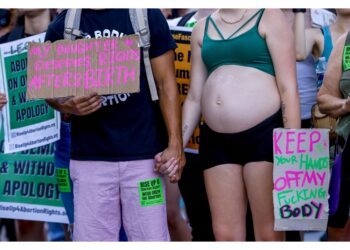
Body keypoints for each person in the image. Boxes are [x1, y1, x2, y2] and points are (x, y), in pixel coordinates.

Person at [45, 8, 184, 241]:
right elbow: (49, 91)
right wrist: (68, 106)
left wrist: (175, 144)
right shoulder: (63, 25)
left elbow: (167, 83)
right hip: (90, 159)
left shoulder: (146, 15)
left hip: (145, 160)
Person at [173, 8, 300, 241]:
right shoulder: (202, 27)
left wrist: (292, 150)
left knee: (269, 235)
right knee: (224, 235)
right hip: (216, 139)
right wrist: (177, 145)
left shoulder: (269, 15)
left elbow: (288, 88)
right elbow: (194, 96)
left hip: (264, 135)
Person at [317, 31, 350, 241]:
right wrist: (346, 104)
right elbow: (324, 98)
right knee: (339, 226)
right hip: (348, 147)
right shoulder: (347, 42)